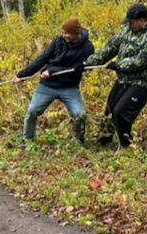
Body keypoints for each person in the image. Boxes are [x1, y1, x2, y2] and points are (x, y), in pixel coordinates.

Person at [79, 3, 147, 147]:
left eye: (132, 22)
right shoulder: (127, 31)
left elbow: (142, 61)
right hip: (124, 78)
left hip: (143, 81)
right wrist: (88, 63)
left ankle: (126, 144)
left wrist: (118, 65)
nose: (129, 25)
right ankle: (105, 141)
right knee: (109, 110)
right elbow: (110, 48)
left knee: (121, 112)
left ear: (141, 20)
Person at [13, 17, 95, 145]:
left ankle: (79, 141)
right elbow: (43, 59)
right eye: (63, 32)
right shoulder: (58, 41)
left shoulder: (87, 48)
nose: (64, 35)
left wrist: (51, 70)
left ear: (75, 34)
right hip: (47, 86)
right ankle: (27, 140)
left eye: (67, 33)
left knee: (80, 114)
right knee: (32, 111)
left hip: (70, 87)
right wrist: (22, 75)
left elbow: (77, 68)